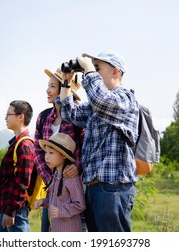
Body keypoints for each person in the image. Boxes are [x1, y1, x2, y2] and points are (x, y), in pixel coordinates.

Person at [58, 50, 139, 232]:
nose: (91, 72)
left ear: (115, 72)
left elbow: (102, 100)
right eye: (92, 69)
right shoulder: (97, 105)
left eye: (97, 68)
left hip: (113, 188)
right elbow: (68, 113)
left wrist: (87, 68)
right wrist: (66, 82)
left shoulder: (125, 98)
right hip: (93, 187)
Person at [34, 67, 85, 232]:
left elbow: (87, 148)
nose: (47, 90)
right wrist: (52, 180)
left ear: (65, 89)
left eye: (52, 86)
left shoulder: (78, 117)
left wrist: (76, 167)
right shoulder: (43, 117)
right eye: (48, 85)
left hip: (74, 184)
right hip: (52, 186)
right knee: (51, 227)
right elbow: (38, 151)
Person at [0, 100, 35, 232]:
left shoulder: (25, 146)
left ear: (20, 117)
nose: (5, 118)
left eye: (8, 114)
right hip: (8, 206)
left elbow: (23, 182)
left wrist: (11, 210)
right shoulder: (17, 143)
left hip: (15, 210)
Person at [34, 133, 86, 232]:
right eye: (46, 152)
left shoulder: (71, 178)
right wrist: (43, 202)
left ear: (63, 155)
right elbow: (57, 201)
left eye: (51, 153)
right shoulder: (55, 176)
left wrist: (60, 211)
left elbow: (80, 205)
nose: (46, 157)